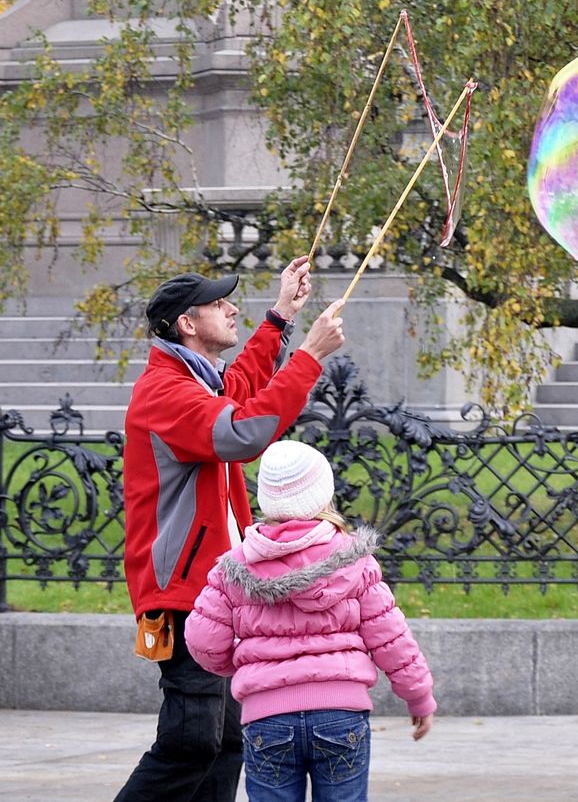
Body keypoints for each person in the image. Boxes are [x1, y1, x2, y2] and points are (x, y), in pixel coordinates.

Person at [117, 257, 347, 802]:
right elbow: (243, 432)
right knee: (192, 740)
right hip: (182, 593)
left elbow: (239, 388)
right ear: (187, 324)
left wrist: (281, 316)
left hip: (215, 591)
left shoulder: (196, 380)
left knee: (226, 741)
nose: (230, 308)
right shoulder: (164, 393)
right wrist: (309, 356)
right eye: (219, 303)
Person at [185, 440, 436, 802]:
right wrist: (419, 697)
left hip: (266, 719)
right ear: (324, 496)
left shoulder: (236, 566)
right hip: (340, 714)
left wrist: (241, 667)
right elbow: (391, 638)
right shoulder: (354, 560)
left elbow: (204, 638)